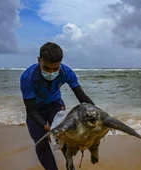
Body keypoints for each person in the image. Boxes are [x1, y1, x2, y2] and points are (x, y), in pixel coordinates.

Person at [20, 42, 95, 170]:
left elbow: (81, 97)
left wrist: (95, 112)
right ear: (39, 61)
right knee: (41, 145)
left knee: (64, 139)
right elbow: (31, 110)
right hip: (36, 111)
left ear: (60, 63)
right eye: (47, 68)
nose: (51, 72)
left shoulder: (67, 72)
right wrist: (46, 127)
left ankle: (70, 166)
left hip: (55, 105)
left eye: (56, 68)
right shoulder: (27, 78)